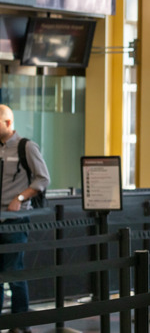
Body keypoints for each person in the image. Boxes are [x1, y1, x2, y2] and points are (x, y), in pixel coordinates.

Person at [0, 104, 50, 329]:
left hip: (15, 221)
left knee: (14, 272)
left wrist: (19, 199)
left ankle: (20, 323)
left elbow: (42, 179)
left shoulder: (26, 147)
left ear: (8, 123)